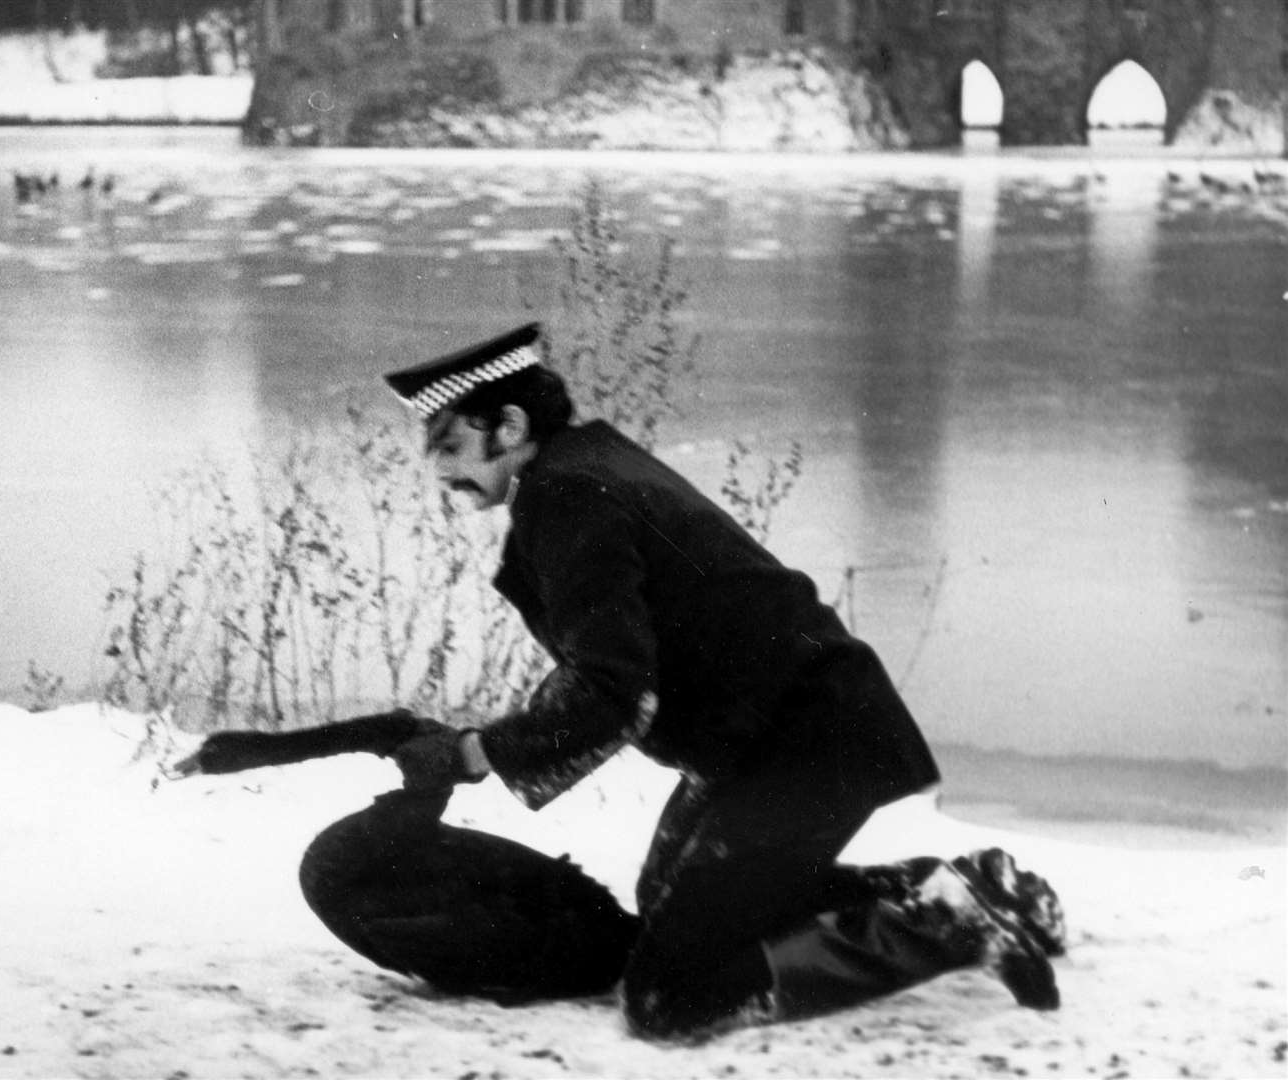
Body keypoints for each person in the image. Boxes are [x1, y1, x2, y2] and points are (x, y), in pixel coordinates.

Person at [299, 322, 1065, 1041]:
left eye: (450, 443)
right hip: (783, 726)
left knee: (669, 995)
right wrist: (493, 743)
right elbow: (613, 671)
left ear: (508, 427)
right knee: (670, 903)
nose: (437, 470)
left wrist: (476, 754)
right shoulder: (581, 467)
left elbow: (613, 693)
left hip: (803, 737)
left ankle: (946, 926)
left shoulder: (567, 496)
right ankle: (963, 886)